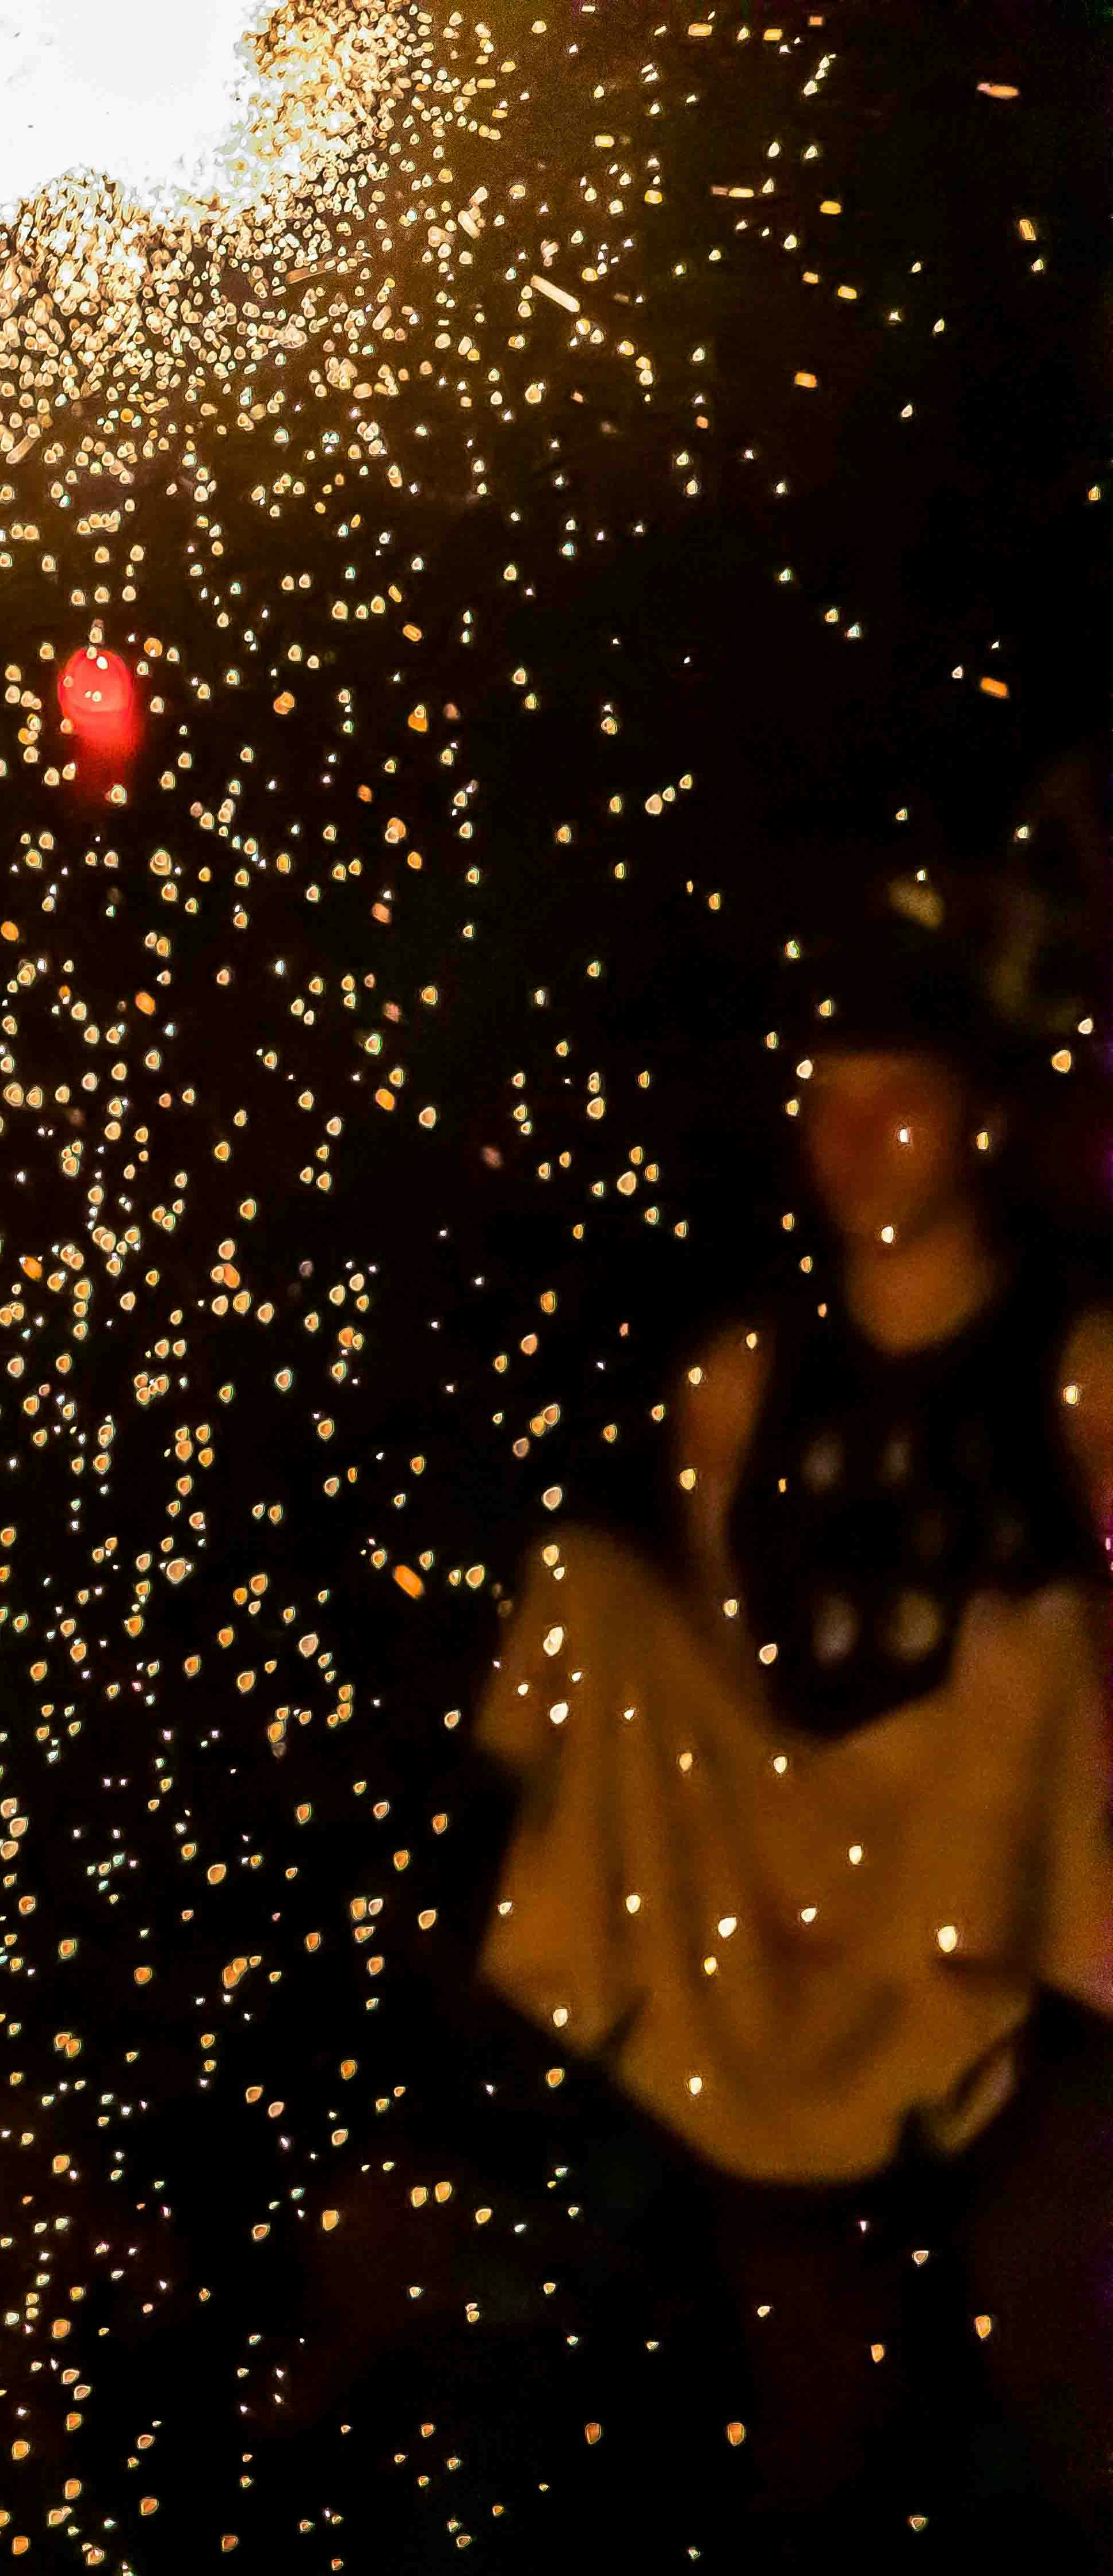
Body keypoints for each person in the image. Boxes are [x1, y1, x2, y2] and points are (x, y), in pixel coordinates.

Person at [477, 891, 1113, 2555]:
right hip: (791, 1878)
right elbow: (711, 1623)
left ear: (974, 1111)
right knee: (589, 1594)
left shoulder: (1075, 1367)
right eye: (826, 1104)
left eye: (891, 1097)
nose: (856, 1142)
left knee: (1035, 1651)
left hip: (992, 1905)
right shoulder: (750, 1376)